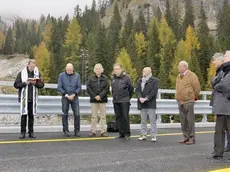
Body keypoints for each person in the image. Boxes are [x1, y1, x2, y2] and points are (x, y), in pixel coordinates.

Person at [14, 59, 44, 139]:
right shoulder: (21, 73)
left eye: (33, 67)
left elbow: (42, 85)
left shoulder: (37, 74)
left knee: (31, 116)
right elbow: (16, 85)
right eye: (31, 66)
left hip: (33, 99)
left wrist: (36, 83)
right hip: (24, 98)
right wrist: (25, 83)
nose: (32, 68)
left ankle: (31, 132)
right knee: (24, 116)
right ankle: (22, 132)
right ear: (28, 65)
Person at [208, 51, 230, 159]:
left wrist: (217, 84)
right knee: (219, 130)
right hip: (222, 105)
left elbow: (225, 85)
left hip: (226, 104)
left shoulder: (227, 70)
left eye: (226, 55)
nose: (224, 57)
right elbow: (213, 81)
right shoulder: (222, 70)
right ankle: (218, 152)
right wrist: (217, 83)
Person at [176, 61, 201, 145]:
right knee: (183, 121)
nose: (178, 67)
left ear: (185, 67)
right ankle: (185, 137)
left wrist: (193, 97)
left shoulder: (192, 75)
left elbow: (197, 88)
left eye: (180, 66)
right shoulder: (179, 76)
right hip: (180, 101)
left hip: (189, 101)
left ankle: (192, 138)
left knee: (190, 120)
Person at [57, 63, 81, 137]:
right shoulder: (61, 75)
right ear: (65, 68)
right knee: (65, 114)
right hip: (65, 97)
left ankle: (77, 131)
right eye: (68, 70)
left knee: (77, 114)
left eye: (70, 70)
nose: (69, 71)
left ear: (73, 69)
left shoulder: (77, 76)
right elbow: (59, 87)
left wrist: (74, 94)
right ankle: (66, 130)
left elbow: (79, 87)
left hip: (75, 97)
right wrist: (67, 95)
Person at [136, 67, 159, 142]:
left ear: (149, 72)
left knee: (152, 120)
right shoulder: (140, 80)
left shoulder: (154, 80)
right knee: (143, 120)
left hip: (150, 102)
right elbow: (138, 91)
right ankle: (143, 134)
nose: (143, 72)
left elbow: (154, 91)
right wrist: (140, 98)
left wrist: (146, 98)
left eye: (144, 71)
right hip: (142, 103)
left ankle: (153, 135)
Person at [87, 63, 110, 137]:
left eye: (99, 68)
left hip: (102, 99)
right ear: (94, 70)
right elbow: (88, 88)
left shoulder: (105, 78)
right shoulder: (91, 78)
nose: (97, 70)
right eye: (96, 69)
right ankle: (93, 131)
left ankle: (103, 131)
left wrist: (100, 96)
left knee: (103, 116)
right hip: (94, 100)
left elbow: (106, 89)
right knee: (94, 116)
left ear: (102, 70)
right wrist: (95, 96)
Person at [112, 64, 134, 140]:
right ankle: (121, 133)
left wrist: (128, 98)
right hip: (116, 100)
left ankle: (127, 133)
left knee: (125, 117)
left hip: (124, 100)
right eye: (115, 69)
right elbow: (113, 90)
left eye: (117, 69)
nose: (116, 70)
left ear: (121, 69)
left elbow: (131, 89)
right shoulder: (113, 78)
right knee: (118, 117)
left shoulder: (126, 78)